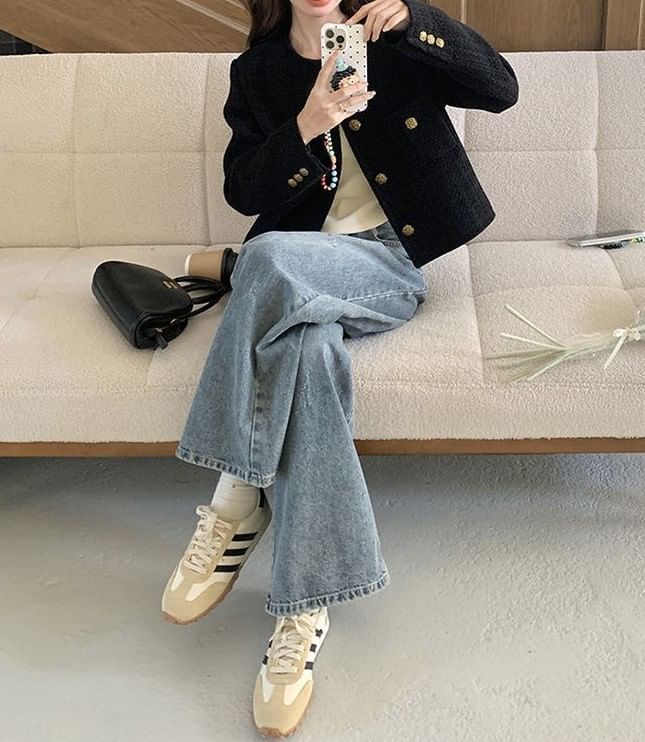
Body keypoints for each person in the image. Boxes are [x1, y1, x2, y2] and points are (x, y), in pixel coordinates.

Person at [162, 0, 519, 736]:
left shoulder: (396, 42)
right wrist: (306, 124)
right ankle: (303, 616)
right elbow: (243, 191)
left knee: (264, 259)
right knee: (308, 348)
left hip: (387, 264)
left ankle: (234, 499)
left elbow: (500, 89)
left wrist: (417, 20)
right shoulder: (258, 72)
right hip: (301, 265)